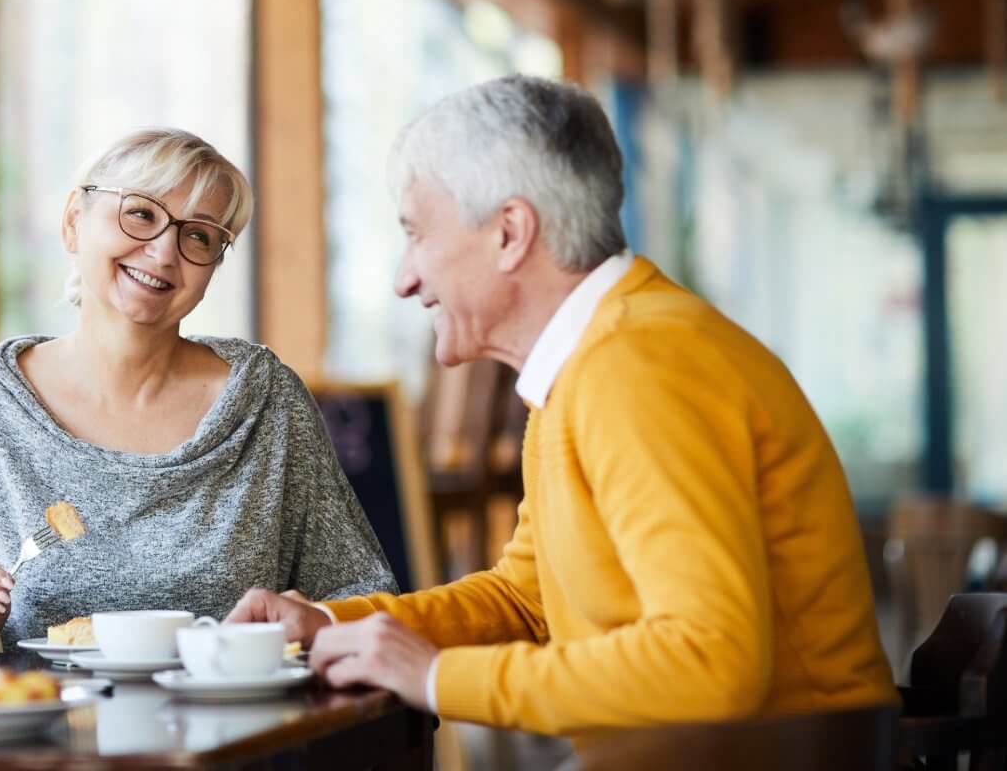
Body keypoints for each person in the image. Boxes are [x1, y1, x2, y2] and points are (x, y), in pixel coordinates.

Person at [228, 76, 896, 737]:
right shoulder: (594, 362)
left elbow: (709, 663)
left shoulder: (637, 368)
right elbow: (526, 600)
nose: (405, 279)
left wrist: (432, 678)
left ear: (510, 233)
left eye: (417, 234)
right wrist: (333, 626)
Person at [0, 128, 395, 652]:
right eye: (141, 214)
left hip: (237, 728)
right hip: (44, 728)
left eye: (198, 236)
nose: (163, 252)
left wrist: (308, 621)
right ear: (73, 222)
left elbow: (363, 596)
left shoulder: (266, 403)